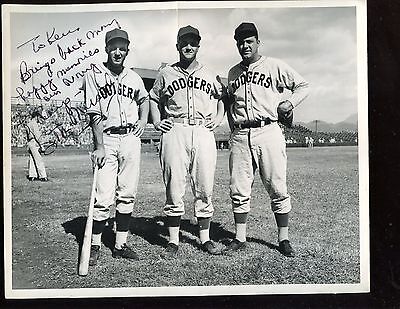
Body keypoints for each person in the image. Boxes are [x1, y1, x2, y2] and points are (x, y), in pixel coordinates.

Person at [223, 22, 310, 257]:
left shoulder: (274, 65)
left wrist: (289, 103)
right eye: (241, 42)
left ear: (258, 42)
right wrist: (233, 128)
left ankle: (283, 238)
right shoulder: (233, 72)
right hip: (241, 134)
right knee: (239, 188)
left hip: (268, 130)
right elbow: (229, 102)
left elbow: (302, 85)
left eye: (249, 41)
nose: (245, 46)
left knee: (277, 186)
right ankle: (240, 237)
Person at [149, 25, 225, 258]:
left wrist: (219, 119)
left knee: (204, 185)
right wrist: (156, 121)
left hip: (202, 130)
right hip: (176, 129)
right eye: (184, 43)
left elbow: (223, 98)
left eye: (193, 43)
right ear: (178, 46)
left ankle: (205, 238)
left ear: (198, 46)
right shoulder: (166, 73)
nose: (189, 46)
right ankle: (173, 240)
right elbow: (153, 98)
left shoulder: (210, 73)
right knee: (174, 186)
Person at [83, 28, 149, 265]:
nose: (118, 52)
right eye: (114, 47)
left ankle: (120, 244)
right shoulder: (94, 75)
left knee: (127, 193)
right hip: (107, 139)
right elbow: (94, 114)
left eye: (122, 47)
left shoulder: (134, 77)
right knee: (103, 196)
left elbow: (145, 99)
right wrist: (99, 146)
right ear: (107, 49)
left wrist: (143, 120)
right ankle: (95, 244)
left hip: (130, 137)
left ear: (127, 50)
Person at [25, 107, 48, 181]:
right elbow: (37, 136)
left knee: (32, 160)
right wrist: (42, 145)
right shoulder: (34, 124)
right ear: (37, 116)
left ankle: (32, 176)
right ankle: (43, 176)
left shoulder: (28, 123)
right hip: (34, 143)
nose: (40, 119)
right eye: (39, 117)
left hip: (29, 143)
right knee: (39, 160)